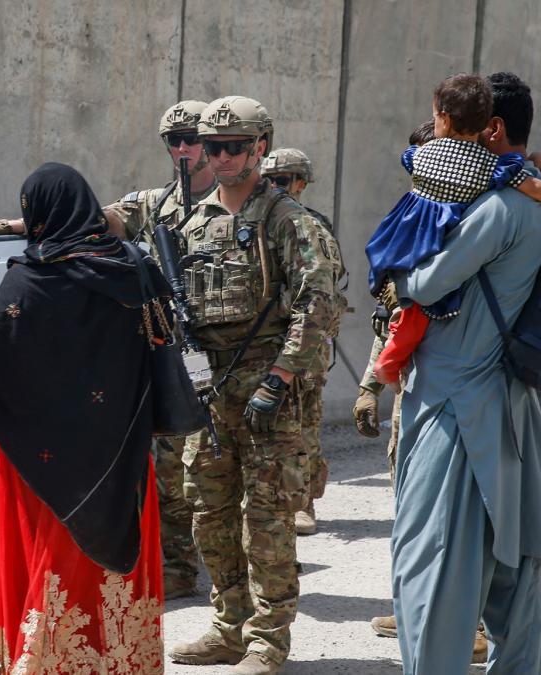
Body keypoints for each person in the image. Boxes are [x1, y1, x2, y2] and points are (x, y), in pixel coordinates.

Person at [389, 71, 541, 673]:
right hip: (507, 401)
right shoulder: (531, 199)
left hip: (456, 406)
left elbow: (426, 285)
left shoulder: (496, 209)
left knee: (433, 569)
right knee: (512, 570)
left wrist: (396, 274)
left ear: (489, 128)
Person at [0, 162, 168, 673]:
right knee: (107, 583)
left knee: (49, 575)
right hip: (120, 464)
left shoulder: (32, 281)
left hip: (41, 474)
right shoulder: (136, 270)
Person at [167, 96, 337, 675]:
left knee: (264, 520)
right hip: (210, 391)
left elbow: (319, 304)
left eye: (233, 146)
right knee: (209, 515)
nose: (218, 157)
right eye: (211, 147)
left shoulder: (287, 219)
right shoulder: (193, 222)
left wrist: (282, 374)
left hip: (268, 387)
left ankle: (268, 640)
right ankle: (229, 624)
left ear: (260, 147)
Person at [365, 73, 541, 386]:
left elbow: (426, 287)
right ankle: (387, 364)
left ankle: (385, 365)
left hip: (406, 238)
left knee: (409, 309)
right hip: (494, 366)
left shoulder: (428, 160)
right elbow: (526, 180)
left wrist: (402, 286)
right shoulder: (494, 173)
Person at [103, 99, 215, 599]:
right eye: (175, 140)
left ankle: (238, 576)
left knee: (218, 470)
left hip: (230, 353)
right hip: (173, 351)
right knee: (170, 467)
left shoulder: (241, 201)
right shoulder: (153, 203)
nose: (184, 148)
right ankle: (176, 566)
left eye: (192, 137)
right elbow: (95, 221)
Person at [260, 147, 347, 535]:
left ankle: (303, 502)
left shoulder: (313, 225)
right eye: (268, 180)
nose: (274, 187)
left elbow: (323, 288)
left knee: (303, 422)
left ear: (301, 184)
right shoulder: (255, 219)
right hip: (264, 339)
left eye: (282, 181)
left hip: (303, 339)